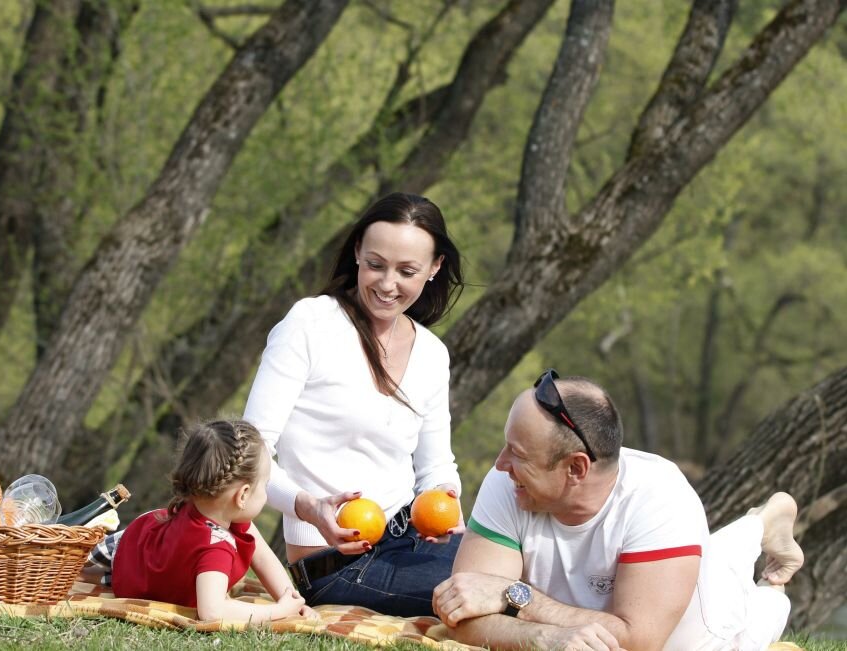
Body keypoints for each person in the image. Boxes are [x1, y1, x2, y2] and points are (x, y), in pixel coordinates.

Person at [432, 369, 805, 651]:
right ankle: (760, 523)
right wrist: (544, 637)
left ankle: (764, 534)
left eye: (519, 454)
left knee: (751, 604)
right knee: (714, 555)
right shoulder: (511, 483)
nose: (500, 464)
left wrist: (513, 595)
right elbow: (461, 613)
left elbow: (637, 643)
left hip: (693, 633)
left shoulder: (660, 497)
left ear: (576, 468)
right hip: (647, 584)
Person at [242, 192, 466, 617]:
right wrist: (309, 507)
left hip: (412, 539)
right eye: (376, 264)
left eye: (407, 271)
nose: (387, 284)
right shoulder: (312, 324)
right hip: (338, 564)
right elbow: (247, 456)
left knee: (530, 568)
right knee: (496, 591)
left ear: (434, 269)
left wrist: (445, 500)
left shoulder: (433, 354)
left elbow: (436, 468)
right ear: (357, 253)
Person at [89, 420, 314, 622]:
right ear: (243, 495)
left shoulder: (209, 508)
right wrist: (278, 611)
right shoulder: (216, 546)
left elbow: (264, 558)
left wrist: (292, 599)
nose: (265, 496)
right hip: (129, 556)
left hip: (144, 545)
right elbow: (212, 612)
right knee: (87, 559)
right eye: (264, 486)